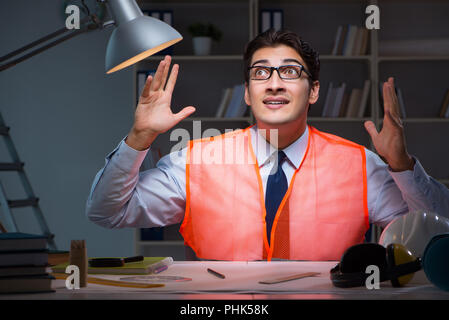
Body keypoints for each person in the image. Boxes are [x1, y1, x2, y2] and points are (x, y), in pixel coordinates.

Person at [86, 29, 449, 261]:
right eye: (261, 73)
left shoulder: (359, 163)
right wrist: (139, 140)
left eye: (289, 72)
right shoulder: (195, 160)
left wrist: (401, 165)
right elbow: (106, 212)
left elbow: (437, 229)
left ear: (315, 91)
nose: (274, 84)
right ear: (247, 92)